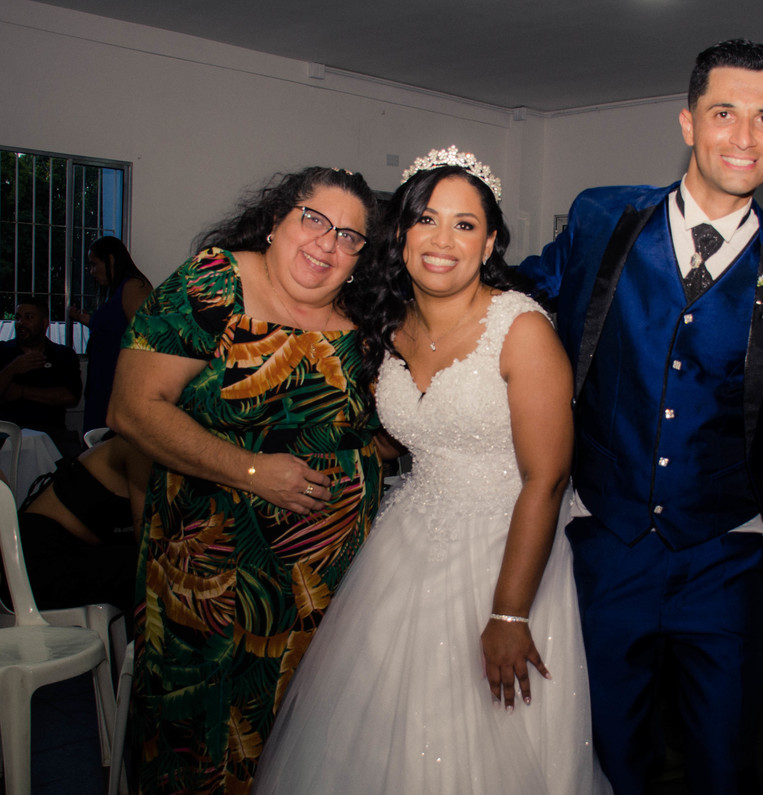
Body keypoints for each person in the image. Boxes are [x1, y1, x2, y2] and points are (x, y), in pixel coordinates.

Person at [255, 148, 610, 793]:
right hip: (407, 545)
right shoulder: (388, 327)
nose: (443, 240)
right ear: (401, 234)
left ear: (490, 242)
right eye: (426, 220)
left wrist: (509, 615)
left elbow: (548, 479)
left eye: (464, 224)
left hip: (508, 547)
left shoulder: (521, 329)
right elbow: (407, 435)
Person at [519, 39, 763, 792]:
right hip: (606, 542)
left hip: (726, 554)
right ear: (687, 122)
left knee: (726, 761)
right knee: (609, 755)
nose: (743, 137)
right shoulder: (603, 218)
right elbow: (518, 300)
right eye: (723, 113)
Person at [107, 166, 383, 793]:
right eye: (313, 220)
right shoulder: (215, 281)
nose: (327, 244)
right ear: (276, 220)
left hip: (326, 585)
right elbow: (133, 408)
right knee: (204, 743)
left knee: (308, 743)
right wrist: (253, 471)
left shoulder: (362, 313)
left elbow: (371, 430)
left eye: (349, 236)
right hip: (215, 574)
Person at [0, 434, 150, 612]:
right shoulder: (137, 446)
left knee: (145, 566)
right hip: (33, 566)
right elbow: (148, 537)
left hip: (63, 552)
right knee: (149, 570)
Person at [0, 295, 84, 458]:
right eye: (18, 318)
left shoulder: (63, 355)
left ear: (45, 323)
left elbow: (70, 397)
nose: (21, 323)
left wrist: (22, 392)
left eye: (29, 317)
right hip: (7, 436)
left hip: (51, 434)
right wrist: (12, 369)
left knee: (78, 462)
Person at [68, 236, 153, 432]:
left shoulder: (133, 287)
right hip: (103, 385)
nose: (91, 271)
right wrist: (87, 320)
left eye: (94, 264)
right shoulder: (116, 292)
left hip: (119, 387)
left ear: (111, 260)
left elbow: (147, 338)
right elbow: (114, 329)